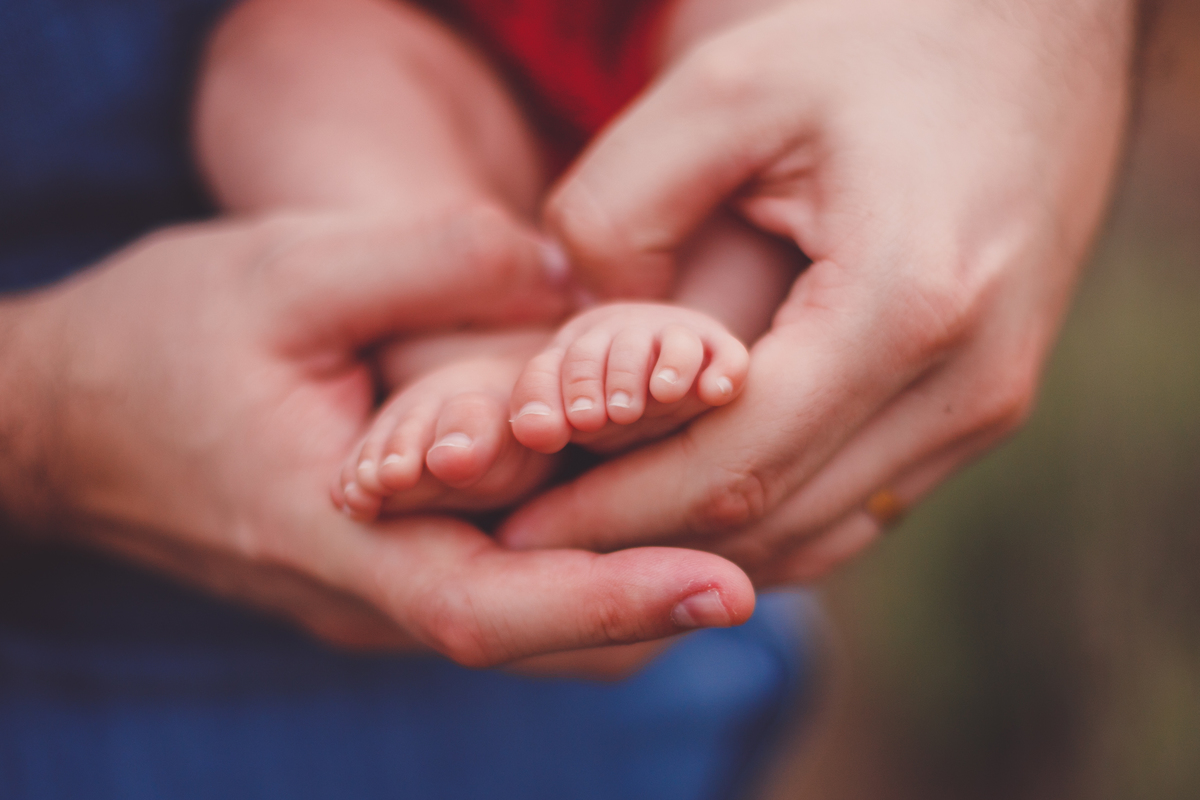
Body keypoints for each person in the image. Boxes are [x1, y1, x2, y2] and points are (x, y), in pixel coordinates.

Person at [0, 0, 1136, 796]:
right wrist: (43, 414)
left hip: (706, 62)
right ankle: (458, 343)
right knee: (290, 55)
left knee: (769, 120)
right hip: (438, 52)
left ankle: (684, 341)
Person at [192, 0, 800, 522]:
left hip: (682, 81)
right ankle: (468, 353)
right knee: (296, 50)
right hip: (459, 73)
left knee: (774, 100)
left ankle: (685, 325)